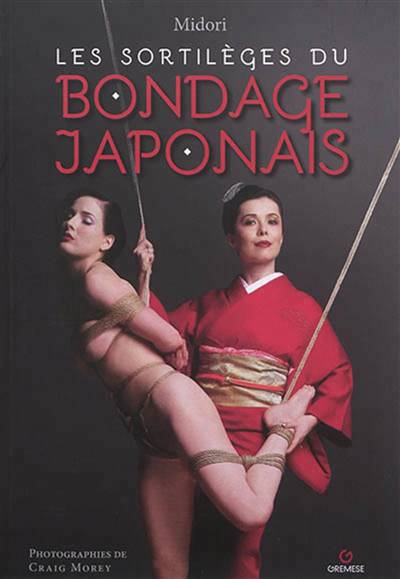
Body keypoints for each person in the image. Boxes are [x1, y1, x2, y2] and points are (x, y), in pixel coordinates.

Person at [58, 190, 316, 579]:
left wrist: (170, 341)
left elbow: (167, 337)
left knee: (251, 512)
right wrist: (144, 276)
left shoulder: (97, 277)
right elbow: (137, 328)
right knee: (168, 567)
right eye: (70, 215)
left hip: (173, 401)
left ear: (107, 241)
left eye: (85, 219)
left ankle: (283, 426)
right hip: (148, 428)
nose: (70, 223)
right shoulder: (83, 285)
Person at [136, 183, 353, 579]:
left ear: (282, 233)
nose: (263, 230)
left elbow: (337, 374)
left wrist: (299, 425)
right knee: (190, 544)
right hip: (203, 431)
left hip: (258, 438)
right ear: (231, 238)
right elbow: (157, 332)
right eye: (250, 222)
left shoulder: (303, 309)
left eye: (272, 222)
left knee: (238, 549)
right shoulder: (207, 305)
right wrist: (144, 277)